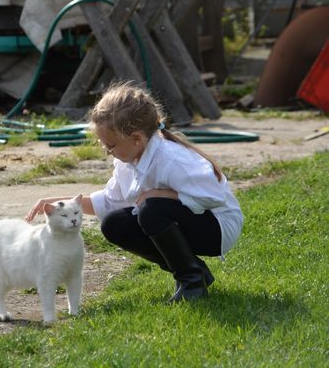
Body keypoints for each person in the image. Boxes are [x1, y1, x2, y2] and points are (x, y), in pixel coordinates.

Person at [25, 82, 243, 303]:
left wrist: (163, 195)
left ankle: (192, 282)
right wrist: (57, 204)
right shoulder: (127, 162)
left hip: (217, 229)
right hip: (189, 221)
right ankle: (196, 271)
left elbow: (213, 196)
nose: (107, 151)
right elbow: (109, 202)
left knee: (151, 209)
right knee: (113, 223)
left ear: (136, 138)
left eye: (110, 146)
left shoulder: (172, 159)